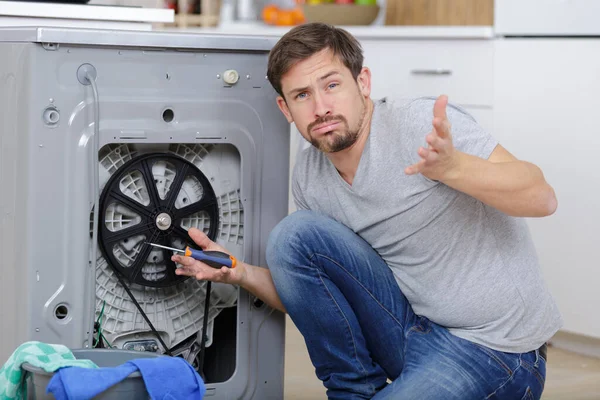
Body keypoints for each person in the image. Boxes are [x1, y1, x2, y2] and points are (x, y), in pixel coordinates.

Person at [172, 22, 562, 400]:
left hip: (498, 351)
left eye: (332, 85)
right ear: (285, 108)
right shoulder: (311, 177)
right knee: (294, 236)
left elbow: (542, 197)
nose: (321, 107)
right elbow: (313, 295)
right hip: (412, 332)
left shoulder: (417, 126)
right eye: (303, 95)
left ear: (363, 83)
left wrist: (455, 168)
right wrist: (239, 272)